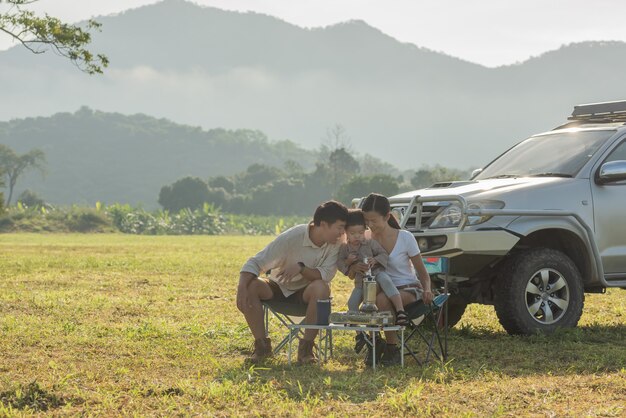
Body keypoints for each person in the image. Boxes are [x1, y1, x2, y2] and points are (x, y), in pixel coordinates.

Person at [237, 200, 348, 364]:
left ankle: (306, 350)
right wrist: (241, 289)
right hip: (277, 287)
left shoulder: (336, 244)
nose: (342, 232)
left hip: (307, 295)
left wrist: (301, 268)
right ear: (323, 224)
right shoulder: (293, 236)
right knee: (252, 285)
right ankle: (261, 348)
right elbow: (255, 262)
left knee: (321, 287)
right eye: (339, 227)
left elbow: (325, 275)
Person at [350, 193, 433, 366]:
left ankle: (391, 348)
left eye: (374, 220)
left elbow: (422, 273)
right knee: (369, 296)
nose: (370, 225)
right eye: (367, 221)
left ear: (388, 216)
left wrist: (427, 289)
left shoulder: (405, 237)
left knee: (379, 299)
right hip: (376, 286)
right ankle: (374, 343)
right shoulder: (363, 237)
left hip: (408, 288)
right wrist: (354, 266)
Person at [337, 209, 410, 352]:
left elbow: (383, 254)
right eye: (352, 234)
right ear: (346, 232)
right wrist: (348, 262)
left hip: (376, 275)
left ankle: (401, 311)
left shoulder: (370, 243)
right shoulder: (344, 249)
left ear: (365, 230)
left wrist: (375, 260)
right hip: (360, 282)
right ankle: (360, 334)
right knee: (352, 303)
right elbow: (339, 263)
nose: (357, 236)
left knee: (386, 280)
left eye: (360, 233)